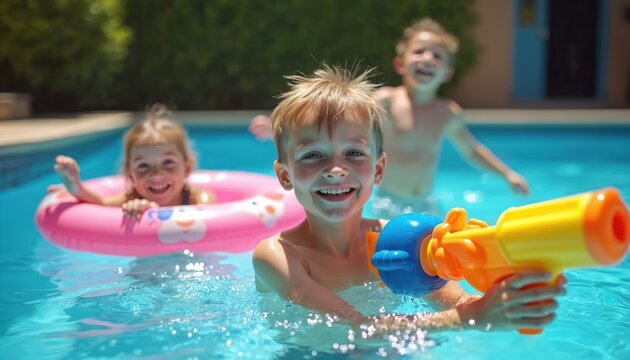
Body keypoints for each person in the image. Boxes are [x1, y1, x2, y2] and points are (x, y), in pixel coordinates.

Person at [252, 64, 565, 335]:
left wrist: (514, 295)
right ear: (285, 176)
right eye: (313, 155)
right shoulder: (277, 256)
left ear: (378, 170)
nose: (335, 170)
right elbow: (354, 329)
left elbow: (458, 302)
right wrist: (475, 316)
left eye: (354, 153)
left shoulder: (398, 240)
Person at [249, 18, 529, 218]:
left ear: (446, 73)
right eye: (419, 51)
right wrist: (275, 123)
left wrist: (507, 174)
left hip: (425, 203)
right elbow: (332, 111)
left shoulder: (447, 113)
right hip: (387, 204)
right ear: (400, 63)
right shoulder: (385, 101)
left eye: (438, 56)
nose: (427, 58)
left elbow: (473, 150)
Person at [52, 104, 215, 218]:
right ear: (130, 174)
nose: (157, 175)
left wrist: (154, 214)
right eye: (143, 166)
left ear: (186, 168)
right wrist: (75, 186)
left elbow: (208, 211)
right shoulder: (133, 198)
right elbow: (100, 202)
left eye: (168, 162)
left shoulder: (195, 197)